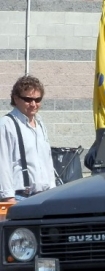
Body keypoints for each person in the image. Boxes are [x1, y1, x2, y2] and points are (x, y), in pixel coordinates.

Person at [0, 75, 55, 203]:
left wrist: (53, 191)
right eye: (28, 99)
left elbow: (47, 161)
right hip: (20, 198)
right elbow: (3, 164)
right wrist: (9, 198)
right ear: (16, 99)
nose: (33, 104)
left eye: (38, 99)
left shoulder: (40, 124)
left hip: (44, 197)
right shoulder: (7, 125)